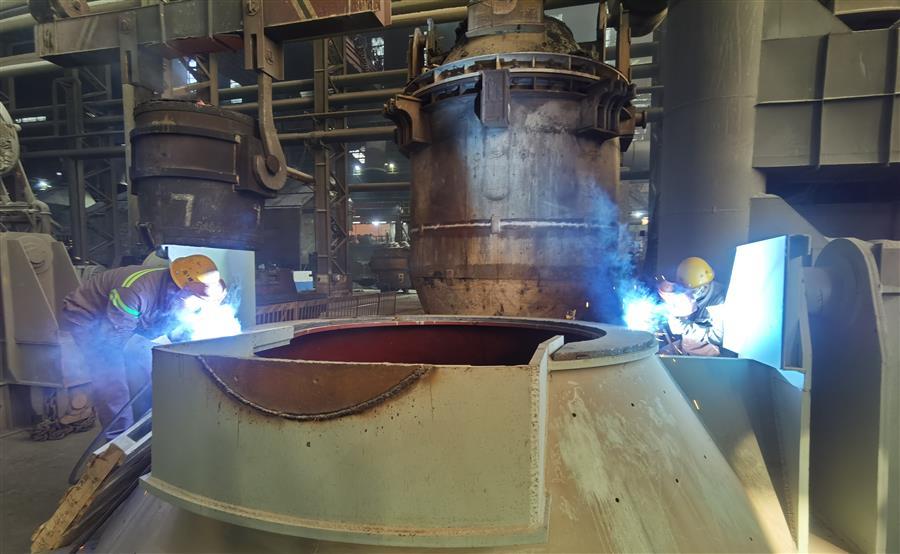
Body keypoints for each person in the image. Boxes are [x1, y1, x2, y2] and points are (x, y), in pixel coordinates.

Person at [60, 255, 227, 438]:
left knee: (149, 368)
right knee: (111, 376)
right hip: (88, 316)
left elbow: (172, 328)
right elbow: (111, 344)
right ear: (179, 290)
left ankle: (147, 428)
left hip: (127, 319)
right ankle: (118, 439)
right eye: (197, 301)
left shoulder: (173, 293)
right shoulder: (134, 292)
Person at [657, 256, 726, 356]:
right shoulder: (689, 289)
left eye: (690, 290)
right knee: (657, 356)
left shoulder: (719, 301)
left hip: (706, 356)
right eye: (683, 289)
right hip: (685, 347)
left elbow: (718, 338)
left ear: (704, 287)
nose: (686, 293)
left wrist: (685, 327)